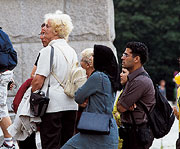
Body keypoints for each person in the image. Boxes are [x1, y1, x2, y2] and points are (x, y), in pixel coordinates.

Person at [31, 10, 78, 149]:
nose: (44, 28)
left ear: (57, 31)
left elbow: (38, 80)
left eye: (48, 26)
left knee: (50, 144)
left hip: (52, 106)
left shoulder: (48, 51)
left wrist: (32, 95)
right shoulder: (72, 51)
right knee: (66, 144)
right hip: (71, 105)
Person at [61, 44, 120, 149]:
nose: (92, 58)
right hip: (109, 130)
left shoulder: (98, 77)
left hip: (95, 131)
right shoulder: (111, 78)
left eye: (94, 55)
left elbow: (78, 96)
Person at [117, 41, 155, 149]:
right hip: (132, 132)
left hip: (137, 134)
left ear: (136, 59)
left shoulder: (140, 81)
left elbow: (120, 107)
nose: (122, 57)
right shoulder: (133, 79)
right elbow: (121, 105)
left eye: (126, 55)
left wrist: (124, 105)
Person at [74, 48, 94, 134]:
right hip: (81, 113)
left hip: (88, 115)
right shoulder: (82, 74)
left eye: (82, 59)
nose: (80, 62)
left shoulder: (95, 77)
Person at [0, 70, 15, 149]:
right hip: (4, 72)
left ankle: (9, 144)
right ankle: (9, 143)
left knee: (1, 109)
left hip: (2, 73)